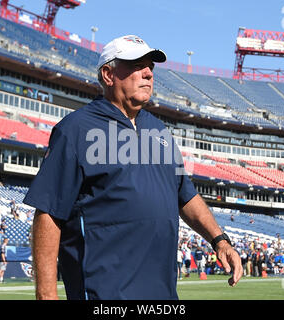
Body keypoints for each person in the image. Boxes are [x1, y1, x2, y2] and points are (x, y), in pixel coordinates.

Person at [23, 34, 243, 300]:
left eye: (150, 66)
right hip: (103, 294)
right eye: (137, 65)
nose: (148, 73)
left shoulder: (159, 131)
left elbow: (185, 195)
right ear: (108, 74)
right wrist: (46, 294)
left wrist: (219, 239)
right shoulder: (76, 130)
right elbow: (48, 211)